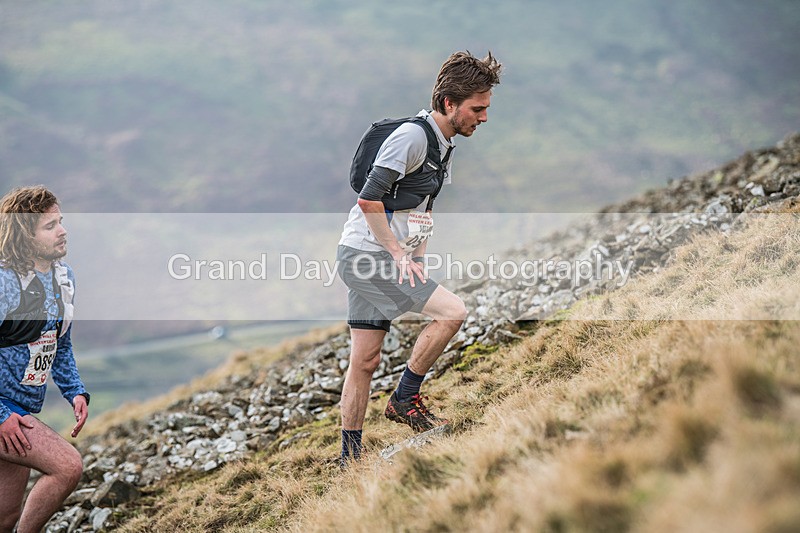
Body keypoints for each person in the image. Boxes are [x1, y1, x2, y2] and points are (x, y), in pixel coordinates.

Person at [336, 51, 502, 466]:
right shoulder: (412, 138)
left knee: (365, 360)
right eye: (477, 109)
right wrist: (396, 253)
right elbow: (369, 198)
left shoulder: (444, 145)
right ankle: (405, 398)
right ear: (449, 104)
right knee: (452, 312)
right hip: (364, 256)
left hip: (383, 256)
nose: (483, 118)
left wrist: (418, 258)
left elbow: (422, 211)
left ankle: (349, 459)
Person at [0, 186, 89, 533]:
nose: (63, 231)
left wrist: (75, 391)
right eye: (50, 226)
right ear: (25, 234)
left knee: (5, 516)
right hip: (5, 411)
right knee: (67, 466)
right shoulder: (5, 282)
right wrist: (3, 415)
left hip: (18, 409)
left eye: (60, 222)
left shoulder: (63, 279)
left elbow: (59, 343)